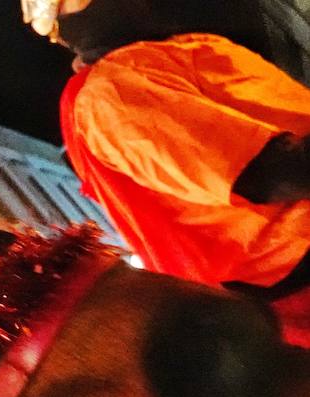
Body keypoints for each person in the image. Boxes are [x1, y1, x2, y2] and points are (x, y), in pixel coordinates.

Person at [25, 0, 310, 346]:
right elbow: (269, 173)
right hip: (293, 267)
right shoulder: (114, 89)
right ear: (59, 22)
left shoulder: (165, 55)